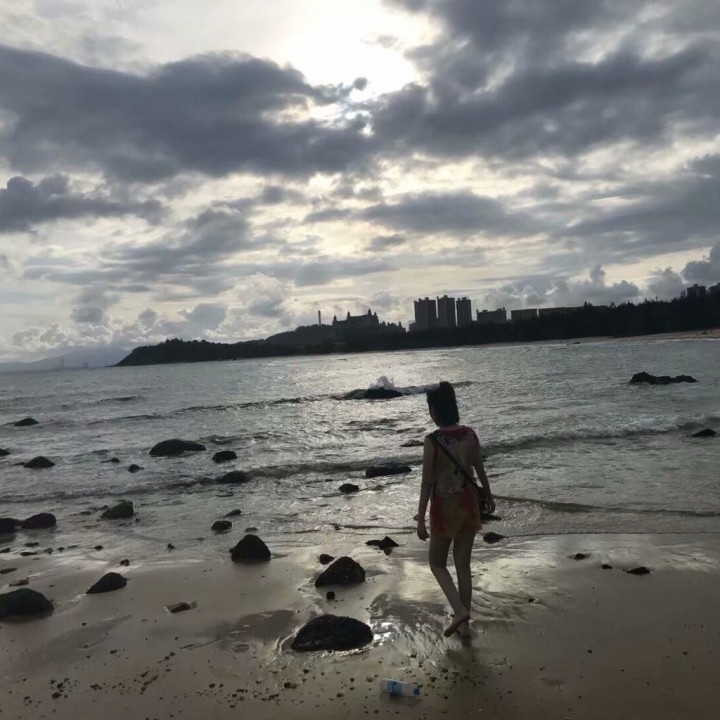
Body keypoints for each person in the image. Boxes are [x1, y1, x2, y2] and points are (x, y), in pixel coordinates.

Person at [416, 381, 495, 640]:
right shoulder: (469, 435)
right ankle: (464, 626)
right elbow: (479, 467)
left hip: (444, 508)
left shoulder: (432, 441)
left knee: (437, 563)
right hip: (469, 505)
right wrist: (488, 494)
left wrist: (421, 519)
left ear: (435, 411)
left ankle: (460, 611)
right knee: (463, 565)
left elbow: (427, 482)